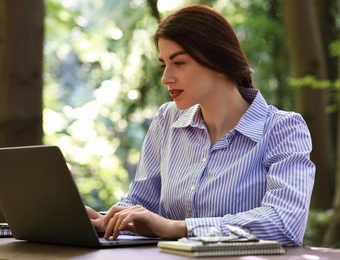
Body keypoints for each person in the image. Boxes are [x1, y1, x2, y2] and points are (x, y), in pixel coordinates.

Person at [86, 4, 315, 246]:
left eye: (179, 63)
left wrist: (179, 228)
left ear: (217, 59)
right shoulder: (167, 120)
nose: (166, 78)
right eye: (164, 64)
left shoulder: (284, 129)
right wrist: (108, 220)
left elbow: (285, 223)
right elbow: (142, 204)